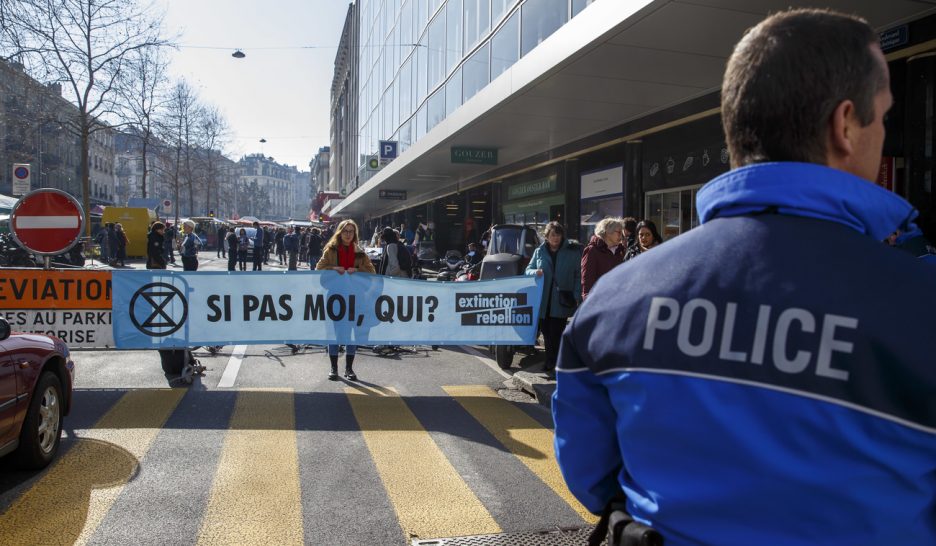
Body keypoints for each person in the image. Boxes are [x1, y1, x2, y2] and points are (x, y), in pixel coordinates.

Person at [553, 9, 936, 545]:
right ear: (845, 125)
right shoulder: (919, 305)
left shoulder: (617, 298)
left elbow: (589, 473)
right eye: (883, 118)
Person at [316, 219, 375, 381]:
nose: (348, 234)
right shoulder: (330, 250)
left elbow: (371, 272)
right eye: (345, 231)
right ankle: (333, 368)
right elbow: (318, 269)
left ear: (354, 234)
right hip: (335, 296)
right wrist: (334, 268)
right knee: (334, 333)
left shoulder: (360, 252)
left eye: (351, 231)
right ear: (340, 232)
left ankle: (349, 368)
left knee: (351, 335)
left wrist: (356, 269)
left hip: (355, 297)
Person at [524, 221, 581, 375]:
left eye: (558, 234)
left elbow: (578, 275)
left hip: (561, 299)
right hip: (543, 300)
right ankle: (552, 360)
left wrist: (577, 295)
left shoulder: (572, 251)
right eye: (552, 235)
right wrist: (535, 272)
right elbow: (527, 270)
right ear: (547, 236)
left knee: (556, 333)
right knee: (546, 333)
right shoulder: (539, 251)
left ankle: (552, 361)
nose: (556, 238)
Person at [581, 217, 625, 300]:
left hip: (617, 299)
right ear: (608, 233)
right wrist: (588, 299)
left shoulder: (620, 250)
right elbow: (587, 278)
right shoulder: (592, 250)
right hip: (599, 299)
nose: (621, 236)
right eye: (619, 232)